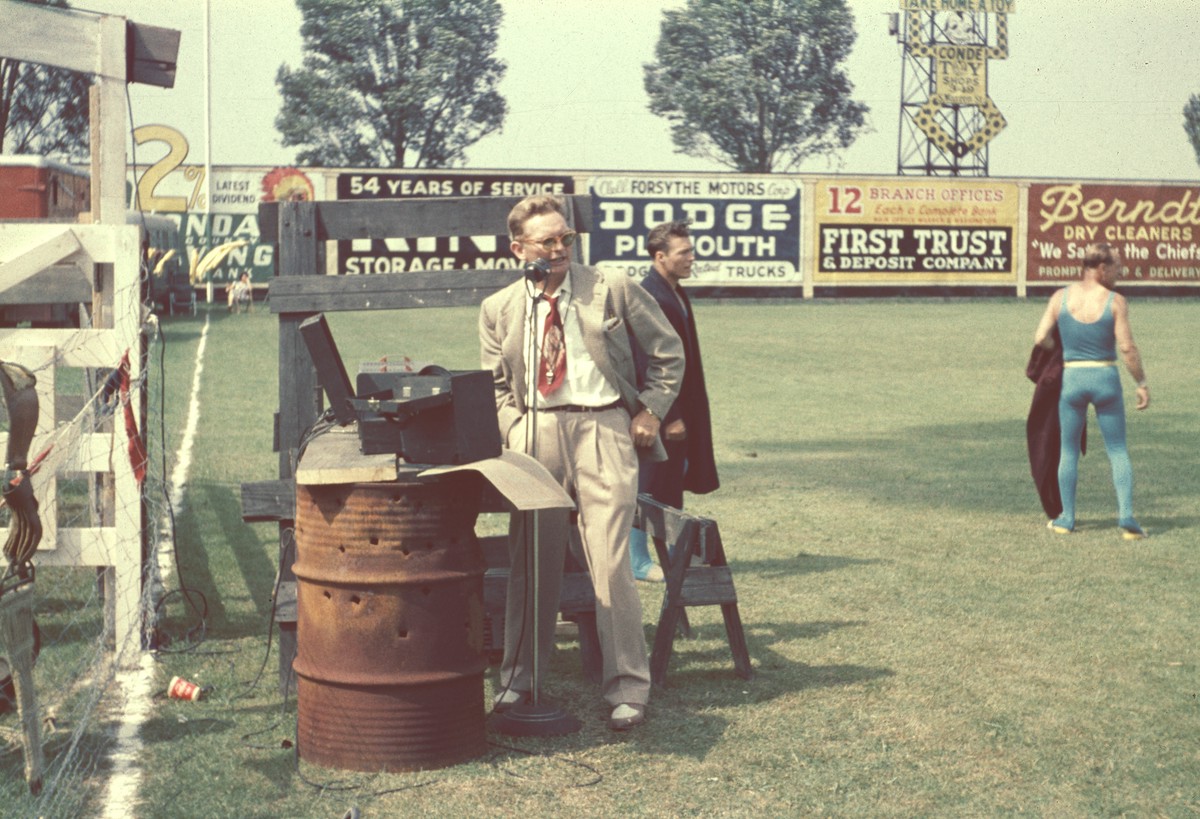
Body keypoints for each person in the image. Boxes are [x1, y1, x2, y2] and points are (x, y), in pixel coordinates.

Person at [479, 194, 684, 731]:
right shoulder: (500, 307)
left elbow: (669, 351)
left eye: (566, 238)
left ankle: (628, 689)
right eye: (547, 241)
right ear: (518, 248)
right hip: (535, 435)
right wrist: (515, 429)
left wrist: (651, 414)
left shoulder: (610, 286)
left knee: (611, 560)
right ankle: (518, 682)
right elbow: (496, 387)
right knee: (533, 563)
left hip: (603, 428)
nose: (560, 249)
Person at [1032, 242, 1150, 539]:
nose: (1119, 274)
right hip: (1105, 378)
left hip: (1073, 380)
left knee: (1068, 450)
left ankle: (1066, 519)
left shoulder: (1060, 297)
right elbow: (1127, 348)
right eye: (1117, 268)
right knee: (1118, 449)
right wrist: (1141, 383)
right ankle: (1126, 517)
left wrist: (1061, 352)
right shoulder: (1115, 301)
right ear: (1101, 268)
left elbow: (1040, 337)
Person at [628, 221, 719, 581]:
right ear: (660, 256)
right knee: (649, 480)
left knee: (672, 478)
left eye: (691, 251)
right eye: (684, 253)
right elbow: (647, 359)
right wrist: (669, 415)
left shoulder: (675, 291)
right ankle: (637, 559)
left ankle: (671, 554)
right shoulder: (649, 296)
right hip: (664, 411)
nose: (691, 258)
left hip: (684, 407)